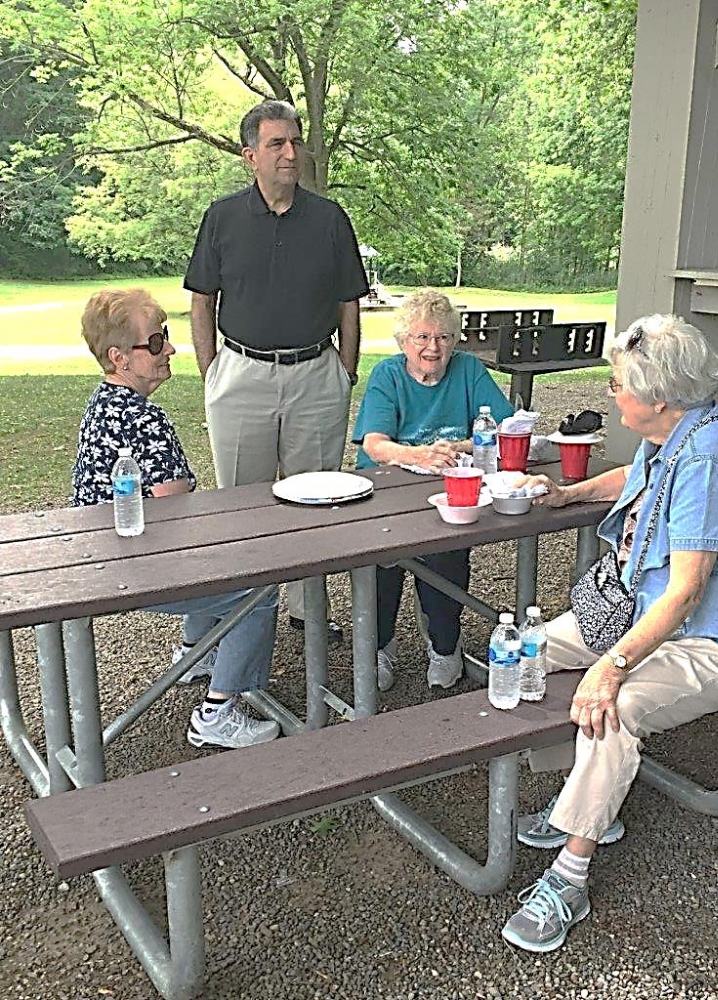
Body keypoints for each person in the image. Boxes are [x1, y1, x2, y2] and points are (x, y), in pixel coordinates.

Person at [501, 313, 718, 953]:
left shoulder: (710, 458)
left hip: (708, 638)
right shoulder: (673, 429)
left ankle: (569, 877)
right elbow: (634, 478)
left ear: (658, 398)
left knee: (617, 706)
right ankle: (586, 795)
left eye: (618, 385)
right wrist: (566, 495)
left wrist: (612, 665)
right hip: (642, 612)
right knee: (524, 652)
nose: (611, 393)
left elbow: (687, 590)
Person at [184, 99, 369, 645]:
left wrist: (346, 371)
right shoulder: (222, 218)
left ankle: (305, 611)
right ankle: (241, 616)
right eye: (277, 144)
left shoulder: (330, 218)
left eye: (295, 142)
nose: (291, 153)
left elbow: (349, 302)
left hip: (317, 375)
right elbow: (201, 299)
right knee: (241, 505)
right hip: (241, 376)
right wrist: (211, 372)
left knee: (316, 501)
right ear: (250, 156)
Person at [73, 288, 281, 751]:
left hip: (97, 559)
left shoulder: (101, 404)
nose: (170, 348)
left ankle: (195, 655)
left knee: (218, 553)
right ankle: (217, 711)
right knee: (258, 587)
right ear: (119, 358)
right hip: (135, 568)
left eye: (165, 336)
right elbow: (175, 507)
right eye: (155, 342)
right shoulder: (146, 420)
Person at [352, 289, 514, 691]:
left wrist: (455, 449)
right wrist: (417, 455)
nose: (432, 347)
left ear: (454, 341)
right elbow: (374, 443)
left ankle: (445, 644)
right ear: (403, 341)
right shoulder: (387, 375)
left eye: (442, 337)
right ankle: (377, 646)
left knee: (447, 557)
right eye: (421, 337)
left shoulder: (468, 370)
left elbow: (505, 427)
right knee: (381, 562)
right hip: (389, 491)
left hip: (450, 488)